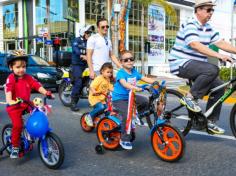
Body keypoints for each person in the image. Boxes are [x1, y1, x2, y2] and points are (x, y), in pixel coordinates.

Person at [168, 0, 236, 134]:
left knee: (219, 88)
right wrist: (219, 56)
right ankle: (190, 97)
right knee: (212, 69)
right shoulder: (190, 24)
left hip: (197, 66)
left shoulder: (208, 27)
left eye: (212, 10)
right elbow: (195, 45)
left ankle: (209, 122)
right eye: (208, 10)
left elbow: (221, 43)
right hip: (181, 63)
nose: (211, 13)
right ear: (198, 10)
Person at [5, 50, 54, 159]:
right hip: (14, 106)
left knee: (39, 111)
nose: (21, 69)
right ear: (11, 67)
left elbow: (37, 85)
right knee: (17, 125)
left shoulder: (28, 77)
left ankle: (32, 133)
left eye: (23, 66)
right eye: (18, 67)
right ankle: (15, 146)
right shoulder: (11, 78)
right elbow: (8, 90)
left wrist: (46, 92)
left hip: (26, 103)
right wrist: (10, 101)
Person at [112, 50, 157, 150]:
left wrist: (156, 82)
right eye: (126, 60)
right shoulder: (121, 73)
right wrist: (135, 88)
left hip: (131, 97)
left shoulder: (134, 72)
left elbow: (144, 78)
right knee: (126, 114)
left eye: (131, 59)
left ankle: (135, 117)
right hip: (119, 99)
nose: (129, 61)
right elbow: (124, 84)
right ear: (121, 62)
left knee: (145, 101)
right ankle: (124, 139)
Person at [70, 25, 95, 111]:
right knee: (78, 83)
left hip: (86, 64)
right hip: (77, 64)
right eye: (87, 32)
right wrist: (82, 55)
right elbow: (76, 50)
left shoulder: (90, 42)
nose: (89, 34)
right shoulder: (77, 40)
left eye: (90, 33)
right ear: (83, 33)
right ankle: (73, 103)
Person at [85, 62, 114, 126]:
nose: (109, 74)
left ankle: (107, 121)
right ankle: (89, 116)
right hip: (94, 98)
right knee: (101, 107)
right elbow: (92, 86)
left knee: (107, 109)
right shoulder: (99, 78)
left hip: (102, 99)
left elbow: (110, 86)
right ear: (102, 71)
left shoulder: (107, 79)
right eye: (108, 72)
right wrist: (94, 91)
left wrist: (116, 91)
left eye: (111, 72)